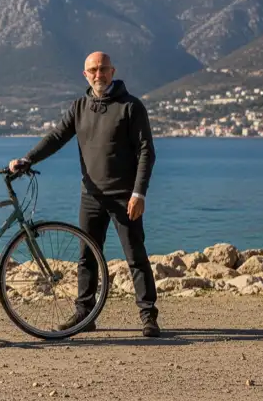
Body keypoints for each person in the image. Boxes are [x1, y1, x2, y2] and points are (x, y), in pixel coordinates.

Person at [8, 51, 160, 337]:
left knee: (135, 256)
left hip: (124, 196)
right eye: (93, 70)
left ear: (113, 71)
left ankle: (148, 316)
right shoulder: (80, 106)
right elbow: (56, 137)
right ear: (85, 74)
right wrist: (28, 159)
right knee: (87, 256)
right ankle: (85, 314)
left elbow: (146, 152)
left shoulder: (131, 106)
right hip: (90, 195)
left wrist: (139, 193)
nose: (98, 74)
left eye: (103, 69)